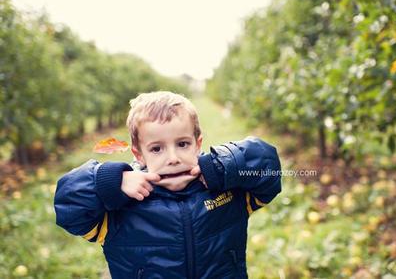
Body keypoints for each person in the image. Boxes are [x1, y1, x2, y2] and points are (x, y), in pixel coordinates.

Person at [54, 91, 282, 279]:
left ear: (197, 144)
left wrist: (223, 165)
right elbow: (68, 206)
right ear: (139, 154)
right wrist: (110, 182)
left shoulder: (228, 194)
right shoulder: (119, 210)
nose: (173, 158)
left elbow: (269, 170)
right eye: (156, 148)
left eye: (182, 144)